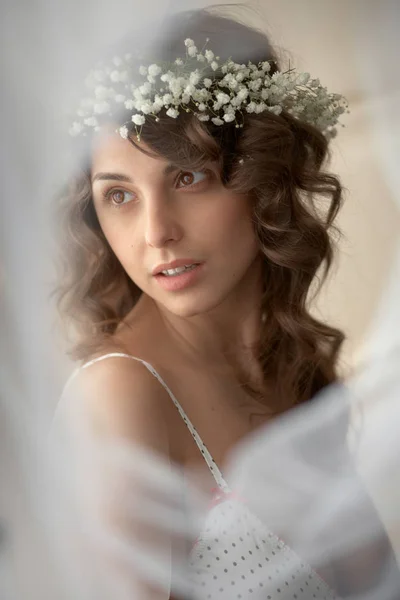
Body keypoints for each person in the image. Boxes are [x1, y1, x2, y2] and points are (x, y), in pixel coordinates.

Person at [53, 6, 398, 600]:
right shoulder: (121, 397)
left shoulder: (293, 367)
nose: (156, 231)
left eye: (187, 177)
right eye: (118, 194)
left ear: (262, 176)